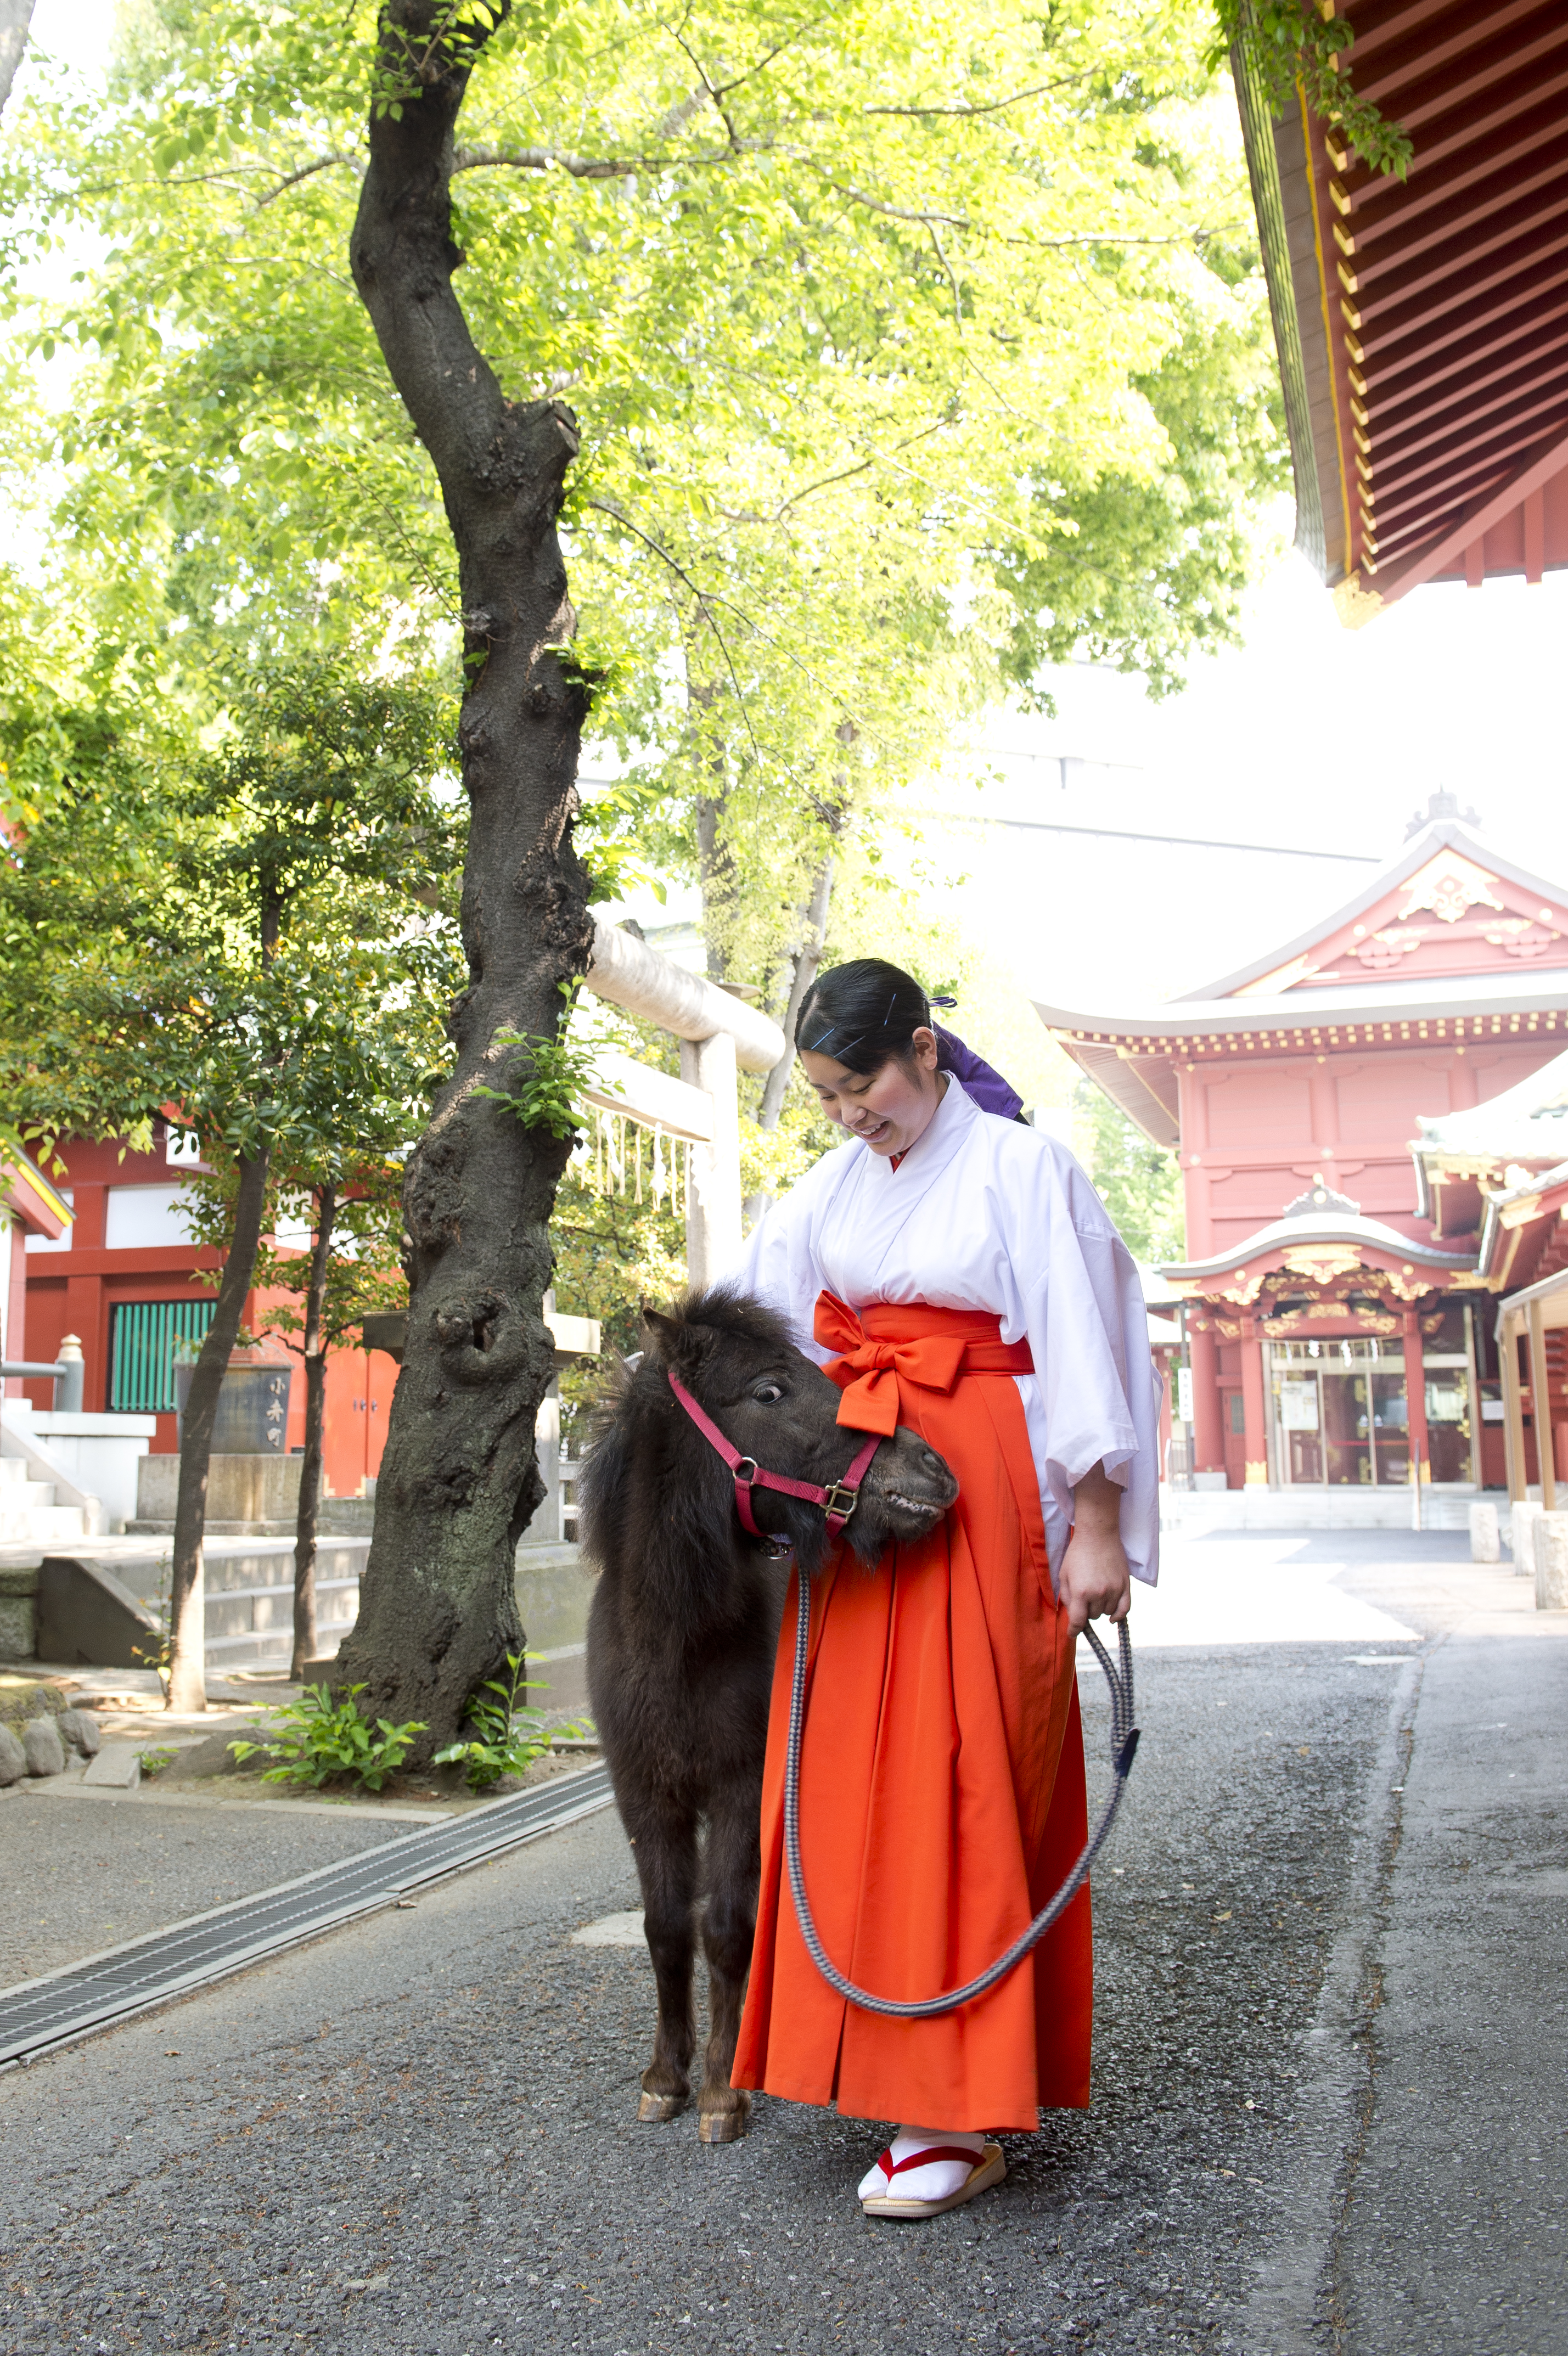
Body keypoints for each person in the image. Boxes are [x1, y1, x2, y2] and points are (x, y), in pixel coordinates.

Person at [724, 958, 1160, 2220]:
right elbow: (765, 1327)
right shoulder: (830, 1186)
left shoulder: (1023, 1169)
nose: (849, 1114)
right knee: (843, 1778)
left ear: (923, 1049)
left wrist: (1095, 1523)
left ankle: (959, 2108)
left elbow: (1084, 1339)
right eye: (825, 1098)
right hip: (865, 1497)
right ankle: (863, 2053)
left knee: (964, 1780)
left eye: (861, 1085)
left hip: (981, 1491)